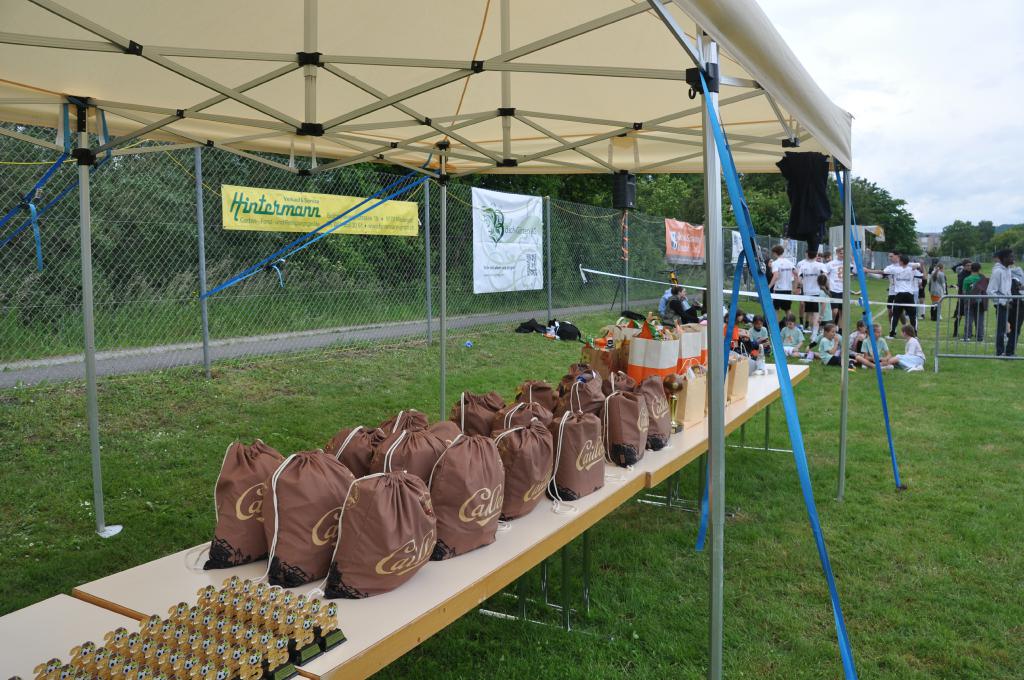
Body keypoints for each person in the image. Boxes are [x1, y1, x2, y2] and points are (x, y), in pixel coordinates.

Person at [867, 253, 918, 337]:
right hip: (909, 295)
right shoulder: (912, 269)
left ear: (901, 261)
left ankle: (892, 334)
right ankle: (915, 335)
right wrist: (909, 264)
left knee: (895, 315)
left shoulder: (895, 269)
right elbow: (918, 265)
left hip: (899, 295)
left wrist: (868, 270)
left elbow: (881, 272)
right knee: (912, 316)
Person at [795, 249, 828, 342]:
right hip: (817, 292)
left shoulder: (803, 265)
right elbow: (825, 277)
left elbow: (799, 280)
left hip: (807, 292)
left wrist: (804, 284)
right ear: (816, 255)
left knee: (810, 313)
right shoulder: (821, 265)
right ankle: (814, 334)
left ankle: (813, 333)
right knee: (815, 314)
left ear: (807, 255)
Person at [989, 249, 1017, 356]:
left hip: (1009, 303)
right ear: (1004, 258)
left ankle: (1008, 351)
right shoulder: (998, 271)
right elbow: (990, 291)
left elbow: (1006, 288)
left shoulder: (1008, 270)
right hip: (1001, 304)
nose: (1013, 258)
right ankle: (999, 351)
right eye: (1011, 257)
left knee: (1010, 328)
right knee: (1001, 329)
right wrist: (1003, 302)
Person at [768, 245, 796, 324]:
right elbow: (796, 274)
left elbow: (776, 276)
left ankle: (776, 327)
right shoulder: (789, 262)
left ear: (775, 253)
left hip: (779, 289)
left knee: (775, 309)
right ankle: (791, 326)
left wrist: (769, 286)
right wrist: (795, 287)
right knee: (787, 309)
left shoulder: (775, 263)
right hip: (788, 289)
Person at [962, 262, 986, 342]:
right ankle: (980, 337)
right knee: (980, 320)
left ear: (971, 269)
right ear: (979, 269)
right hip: (980, 301)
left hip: (969, 301)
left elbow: (964, 291)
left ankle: (967, 336)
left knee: (968, 319)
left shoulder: (967, 279)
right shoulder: (982, 279)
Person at [952, 258, 972, 336]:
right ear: (964, 266)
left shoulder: (972, 273)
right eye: (967, 265)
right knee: (959, 315)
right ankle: (955, 332)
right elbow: (961, 285)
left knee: (970, 316)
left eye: (970, 265)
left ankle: (969, 332)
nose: (969, 267)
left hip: (970, 297)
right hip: (962, 297)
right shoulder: (961, 274)